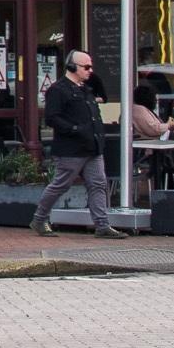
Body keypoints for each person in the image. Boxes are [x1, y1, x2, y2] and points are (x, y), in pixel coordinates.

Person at [32, 49, 126, 239]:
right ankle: (40, 219)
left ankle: (102, 225)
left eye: (91, 66)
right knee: (61, 184)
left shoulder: (85, 89)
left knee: (98, 184)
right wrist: (74, 130)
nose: (90, 70)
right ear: (71, 67)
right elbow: (52, 118)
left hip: (92, 148)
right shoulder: (58, 90)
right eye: (86, 66)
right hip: (71, 149)